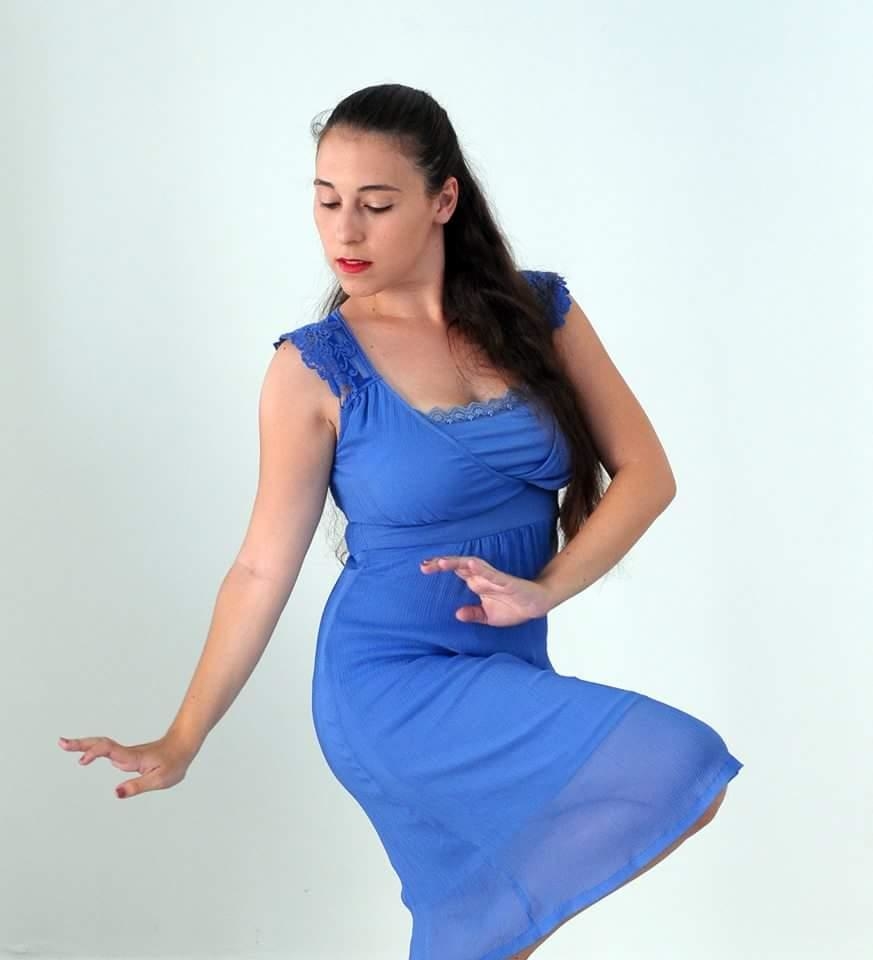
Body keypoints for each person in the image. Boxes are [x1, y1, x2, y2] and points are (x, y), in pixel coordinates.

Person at [59, 83, 743, 960]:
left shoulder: (538, 315)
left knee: (495, 923)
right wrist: (184, 736)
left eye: (375, 205)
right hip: (387, 681)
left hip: (503, 659)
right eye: (326, 201)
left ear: (443, 200)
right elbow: (260, 569)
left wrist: (543, 592)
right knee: (674, 763)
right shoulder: (313, 368)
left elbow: (647, 476)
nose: (344, 232)